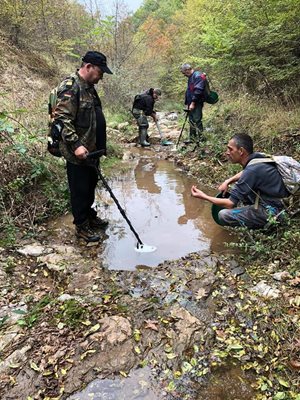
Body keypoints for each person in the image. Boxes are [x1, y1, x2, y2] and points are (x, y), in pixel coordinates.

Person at [52, 50, 113, 242]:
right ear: (88, 67)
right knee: (80, 189)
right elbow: (61, 119)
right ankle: (81, 226)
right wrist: (76, 145)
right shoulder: (70, 87)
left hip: (91, 150)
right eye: (100, 72)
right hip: (77, 152)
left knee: (90, 186)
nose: (101, 76)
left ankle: (89, 216)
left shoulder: (89, 87)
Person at [191, 133, 289, 229]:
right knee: (243, 192)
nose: (227, 152)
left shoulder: (251, 171)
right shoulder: (259, 158)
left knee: (223, 215)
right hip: (283, 201)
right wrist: (228, 181)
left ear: (241, 151)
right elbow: (246, 172)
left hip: (277, 211)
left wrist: (204, 196)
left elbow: (229, 204)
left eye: (230, 149)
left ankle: (268, 225)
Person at [181, 63, 207, 144]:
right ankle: (192, 139)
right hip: (191, 103)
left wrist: (193, 103)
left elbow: (198, 91)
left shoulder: (197, 76)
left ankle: (201, 139)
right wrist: (187, 103)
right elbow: (189, 91)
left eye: (184, 73)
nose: (184, 75)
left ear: (187, 70)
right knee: (191, 121)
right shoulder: (191, 77)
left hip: (196, 103)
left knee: (197, 120)